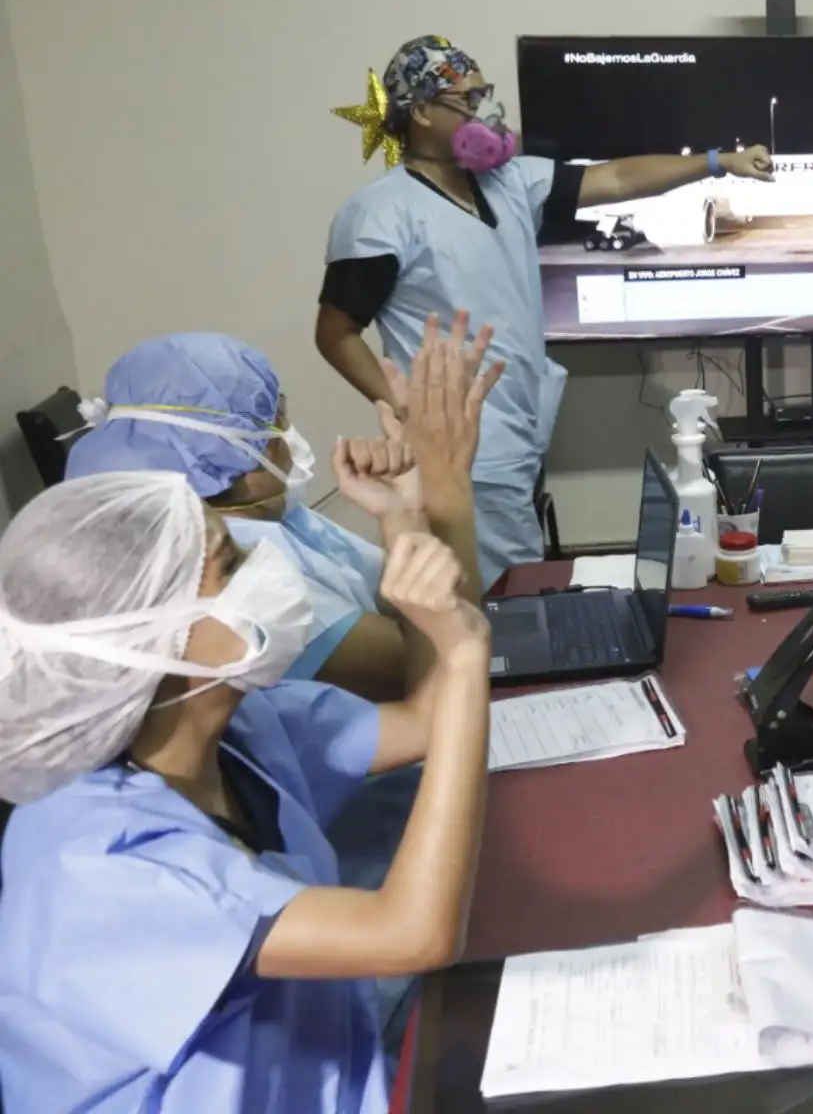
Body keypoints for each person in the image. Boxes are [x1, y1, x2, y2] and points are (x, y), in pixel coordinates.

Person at [0, 471, 492, 1111]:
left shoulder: (243, 730)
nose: (269, 568)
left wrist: (403, 526)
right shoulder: (96, 863)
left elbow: (427, 722)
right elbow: (411, 933)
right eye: (231, 566)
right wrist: (462, 656)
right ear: (148, 639)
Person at [316, 34, 776, 585]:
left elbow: (618, 177)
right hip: (460, 448)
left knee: (503, 584)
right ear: (420, 113)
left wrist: (716, 162)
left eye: (483, 94)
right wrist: (408, 409)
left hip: (517, 431)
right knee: (495, 595)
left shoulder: (509, 182)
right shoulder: (380, 215)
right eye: (465, 100)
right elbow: (335, 333)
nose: (482, 111)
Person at [65, 316, 495, 703]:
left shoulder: (278, 520)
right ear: (243, 455)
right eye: (278, 423)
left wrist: (410, 506)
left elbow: (422, 604)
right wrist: (446, 486)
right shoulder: (241, 570)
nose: (289, 439)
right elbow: (438, 667)